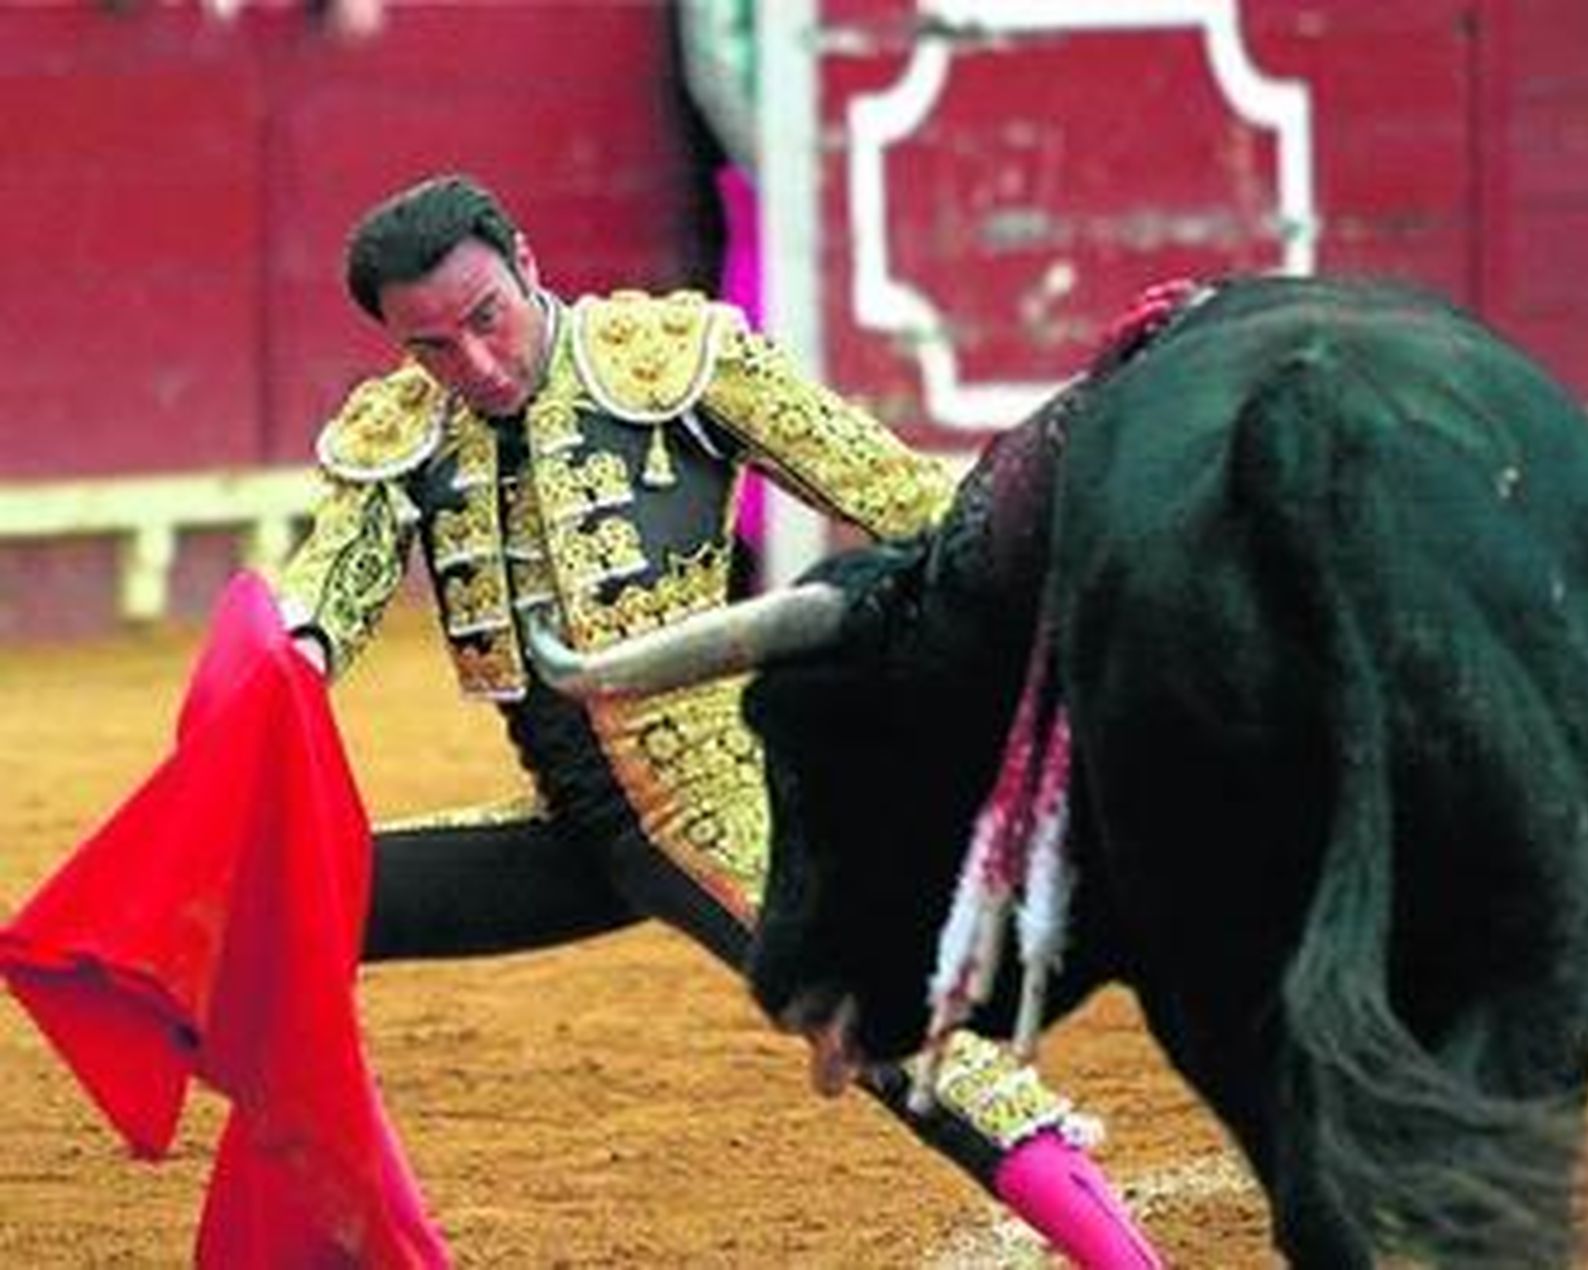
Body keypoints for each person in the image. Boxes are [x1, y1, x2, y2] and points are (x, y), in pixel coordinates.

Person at [272, 173, 1158, 1266]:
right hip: (578, 827)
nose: (478, 366)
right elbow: (324, 591)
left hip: (718, 806)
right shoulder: (401, 429)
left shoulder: (676, 358)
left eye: (485, 318)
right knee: (282, 909)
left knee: (899, 1044)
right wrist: (290, 653)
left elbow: (908, 500)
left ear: (528, 265)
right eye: (434, 348)